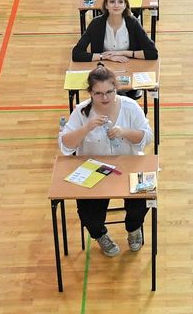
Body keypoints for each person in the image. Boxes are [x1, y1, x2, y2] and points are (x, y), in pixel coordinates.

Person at [58, 66, 152, 256]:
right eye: (98, 93)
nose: (105, 98)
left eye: (109, 92)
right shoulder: (81, 111)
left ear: (116, 88)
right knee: (88, 214)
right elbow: (65, 145)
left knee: (141, 201)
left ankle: (134, 229)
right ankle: (100, 235)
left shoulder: (130, 107)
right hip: (95, 169)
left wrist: (125, 131)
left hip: (129, 165)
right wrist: (86, 128)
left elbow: (147, 136)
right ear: (90, 93)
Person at [72, 0, 158, 64]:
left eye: (120, 2)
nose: (116, 5)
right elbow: (76, 53)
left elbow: (152, 53)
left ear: (125, 5)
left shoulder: (133, 23)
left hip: (128, 65)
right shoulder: (96, 23)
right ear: (106, 5)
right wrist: (105, 57)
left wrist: (122, 53)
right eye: (112, 2)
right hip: (104, 67)